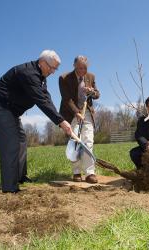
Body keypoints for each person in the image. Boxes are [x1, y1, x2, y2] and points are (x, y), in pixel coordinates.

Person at [0, 50, 72, 193]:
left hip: (11, 110)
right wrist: (61, 122)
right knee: (10, 144)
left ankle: (20, 177)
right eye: (52, 67)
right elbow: (41, 100)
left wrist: (61, 119)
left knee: (21, 140)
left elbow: (47, 97)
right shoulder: (29, 74)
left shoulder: (41, 76)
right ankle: (9, 188)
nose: (53, 71)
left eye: (55, 68)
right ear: (43, 62)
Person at [59, 55, 100, 183]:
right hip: (72, 113)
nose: (83, 70)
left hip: (87, 112)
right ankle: (76, 172)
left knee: (88, 141)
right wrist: (76, 112)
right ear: (74, 66)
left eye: (85, 68)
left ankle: (89, 173)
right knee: (75, 141)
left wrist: (92, 92)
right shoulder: (64, 78)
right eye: (80, 67)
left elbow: (97, 94)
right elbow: (67, 99)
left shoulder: (91, 77)